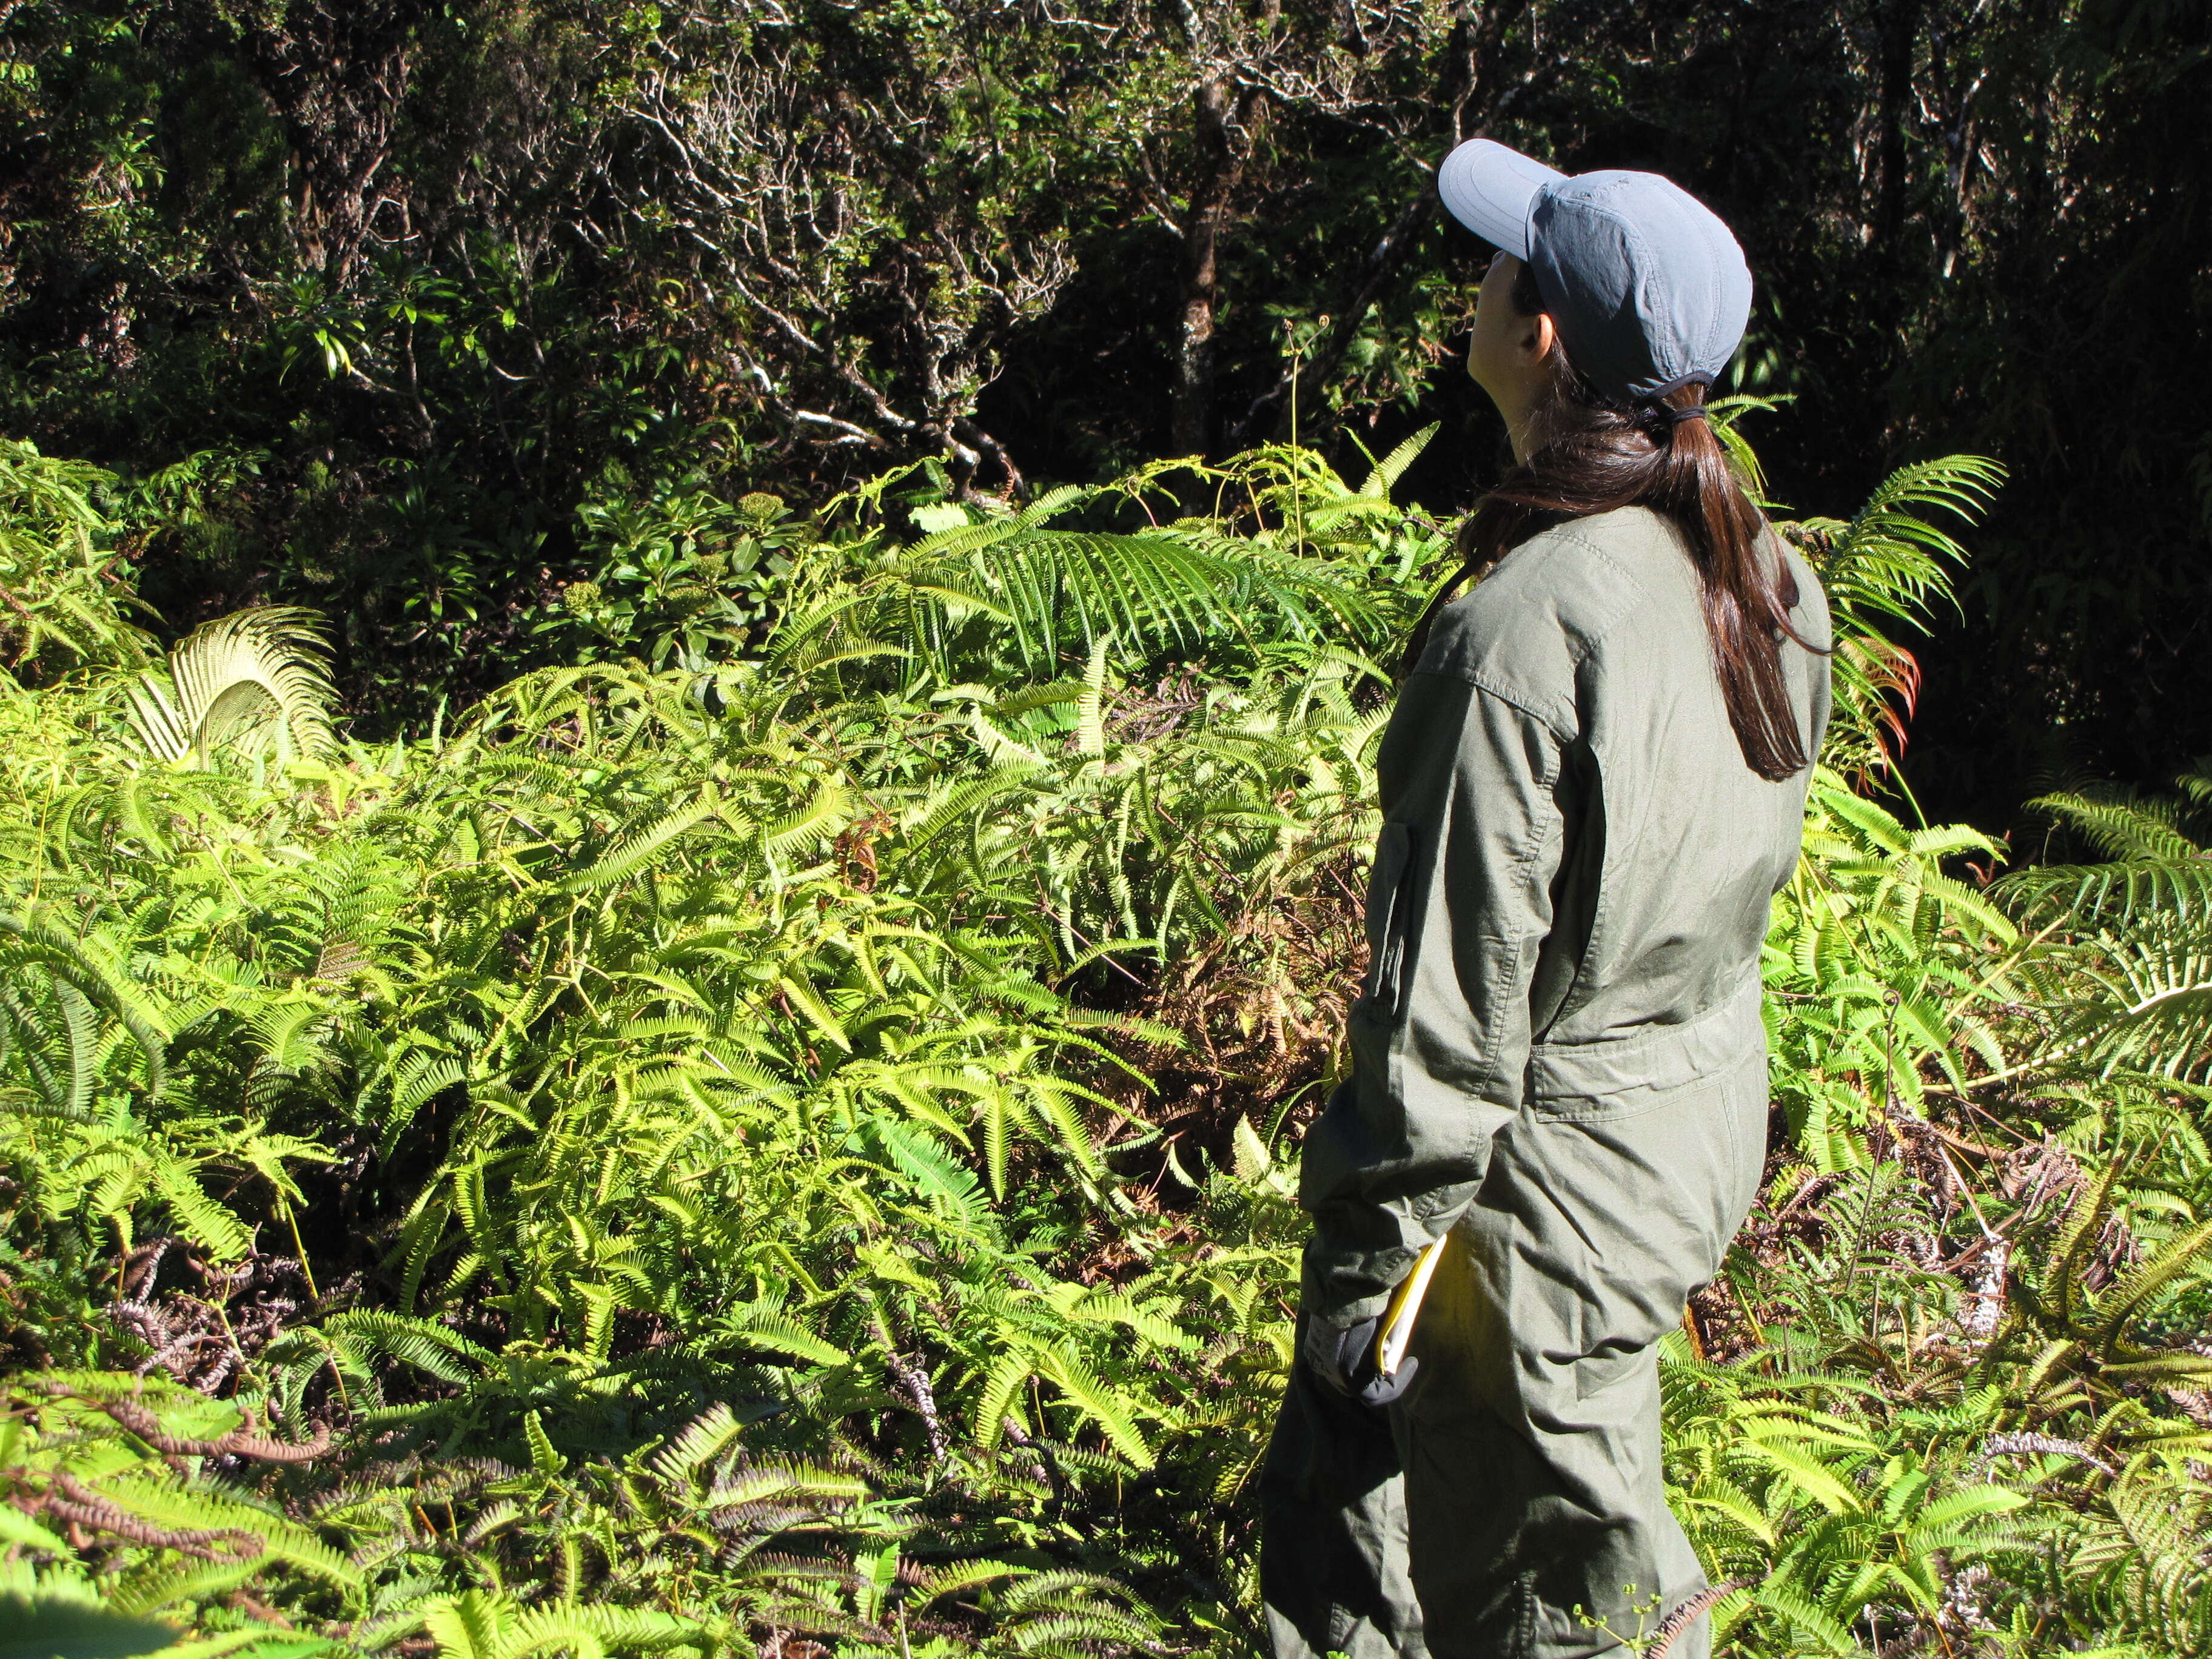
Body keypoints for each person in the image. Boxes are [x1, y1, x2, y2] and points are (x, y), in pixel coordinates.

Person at [1259, 140, 1833, 1659]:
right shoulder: (1762, 574)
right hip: (1689, 1132)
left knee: (1561, 1602)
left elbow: (1443, 1035)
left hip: (1543, 1198)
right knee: (1585, 1520)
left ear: (1545, 337)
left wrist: (1360, 1290)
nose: (1482, 280)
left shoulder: (1519, 634)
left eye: (1502, 263)